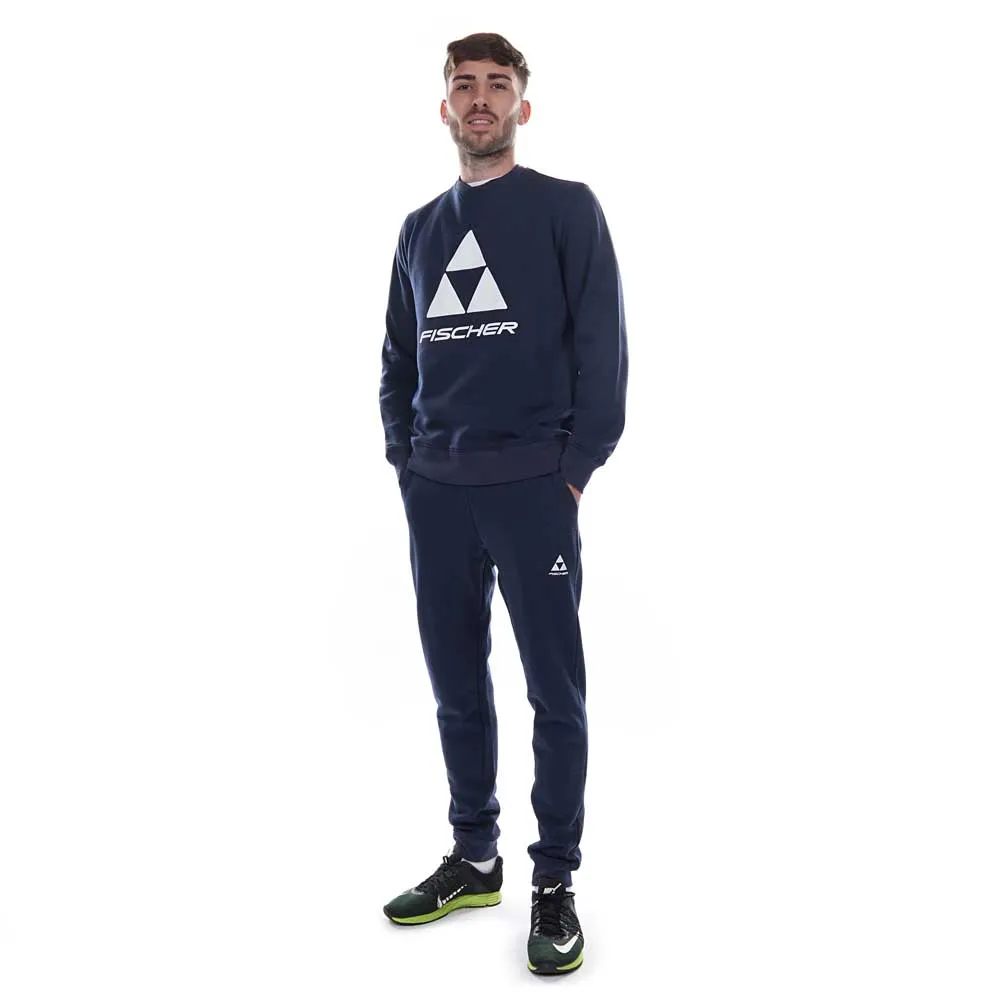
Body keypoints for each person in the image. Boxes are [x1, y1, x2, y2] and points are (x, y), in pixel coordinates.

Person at [378, 31, 628, 976]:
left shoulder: (566, 208)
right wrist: (407, 460)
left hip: (534, 487)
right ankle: (475, 857)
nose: (479, 98)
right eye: (463, 85)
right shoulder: (418, 230)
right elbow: (398, 358)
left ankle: (553, 879)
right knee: (455, 683)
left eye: (497, 84)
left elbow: (602, 345)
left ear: (524, 105)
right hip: (437, 492)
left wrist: (574, 467)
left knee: (554, 690)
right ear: (443, 107)